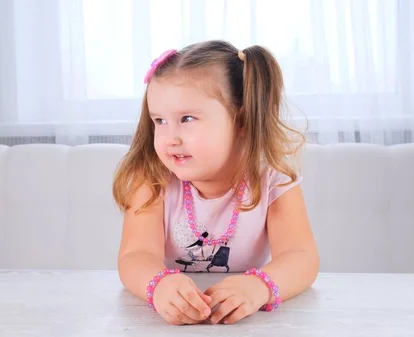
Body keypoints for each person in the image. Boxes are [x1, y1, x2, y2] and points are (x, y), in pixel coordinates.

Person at [112, 40, 319, 326]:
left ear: (241, 120)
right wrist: (158, 285)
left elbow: (301, 257)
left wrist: (259, 287)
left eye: (186, 118)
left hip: (247, 324)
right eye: (159, 120)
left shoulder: (273, 182)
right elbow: (136, 255)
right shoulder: (152, 181)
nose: (171, 137)